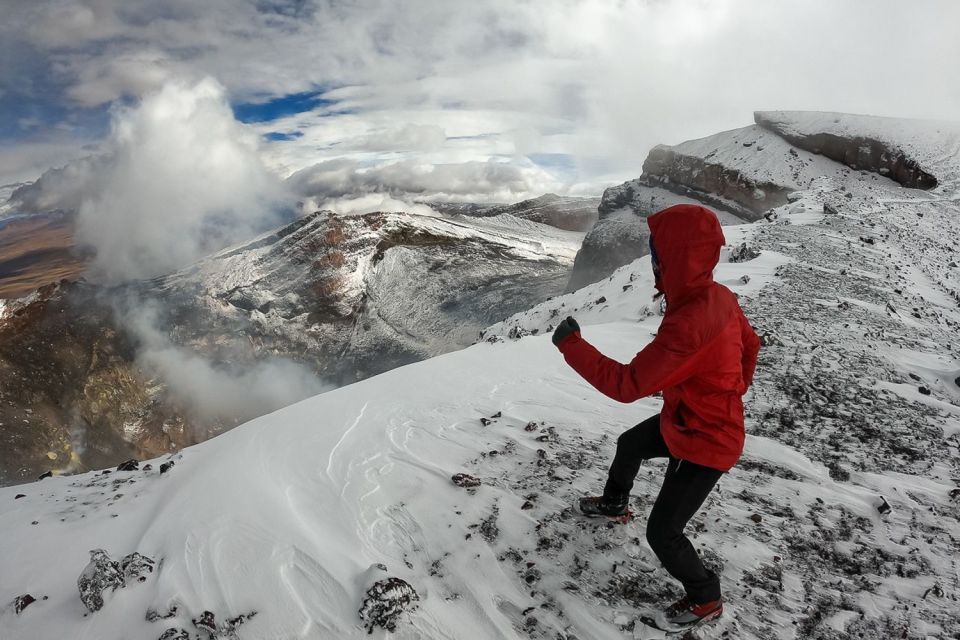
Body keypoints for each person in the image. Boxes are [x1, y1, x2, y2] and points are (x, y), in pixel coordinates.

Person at [551, 203, 760, 630]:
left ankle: (705, 597)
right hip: (689, 419)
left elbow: (626, 385)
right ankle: (614, 504)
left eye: (657, 254)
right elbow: (751, 346)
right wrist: (726, 390)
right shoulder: (715, 295)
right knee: (630, 444)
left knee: (663, 532)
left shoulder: (689, 321)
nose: (652, 261)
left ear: (673, 259)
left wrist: (572, 344)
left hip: (705, 442)